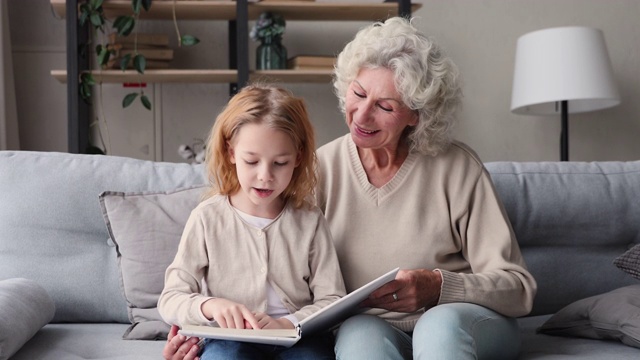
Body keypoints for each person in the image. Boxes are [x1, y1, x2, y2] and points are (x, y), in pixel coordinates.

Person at [164, 17, 537, 360]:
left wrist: (439, 286)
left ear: (417, 115)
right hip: (368, 323)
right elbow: (268, 264)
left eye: (385, 106)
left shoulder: (458, 169)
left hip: (457, 320)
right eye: (358, 94)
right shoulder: (313, 170)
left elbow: (518, 288)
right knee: (359, 339)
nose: (360, 116)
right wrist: (194, 328)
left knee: (437, 330)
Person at [158, 84, 346, 360]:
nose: (265, 176)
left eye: (280, 162)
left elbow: (332, 300)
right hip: (229, 341)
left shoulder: (309, 220)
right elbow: (171, 298)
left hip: (298, 339)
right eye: (251, 161)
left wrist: (287, 323)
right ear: (231, 152)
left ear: (298, 158)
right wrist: (211, 306)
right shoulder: (208, 217)